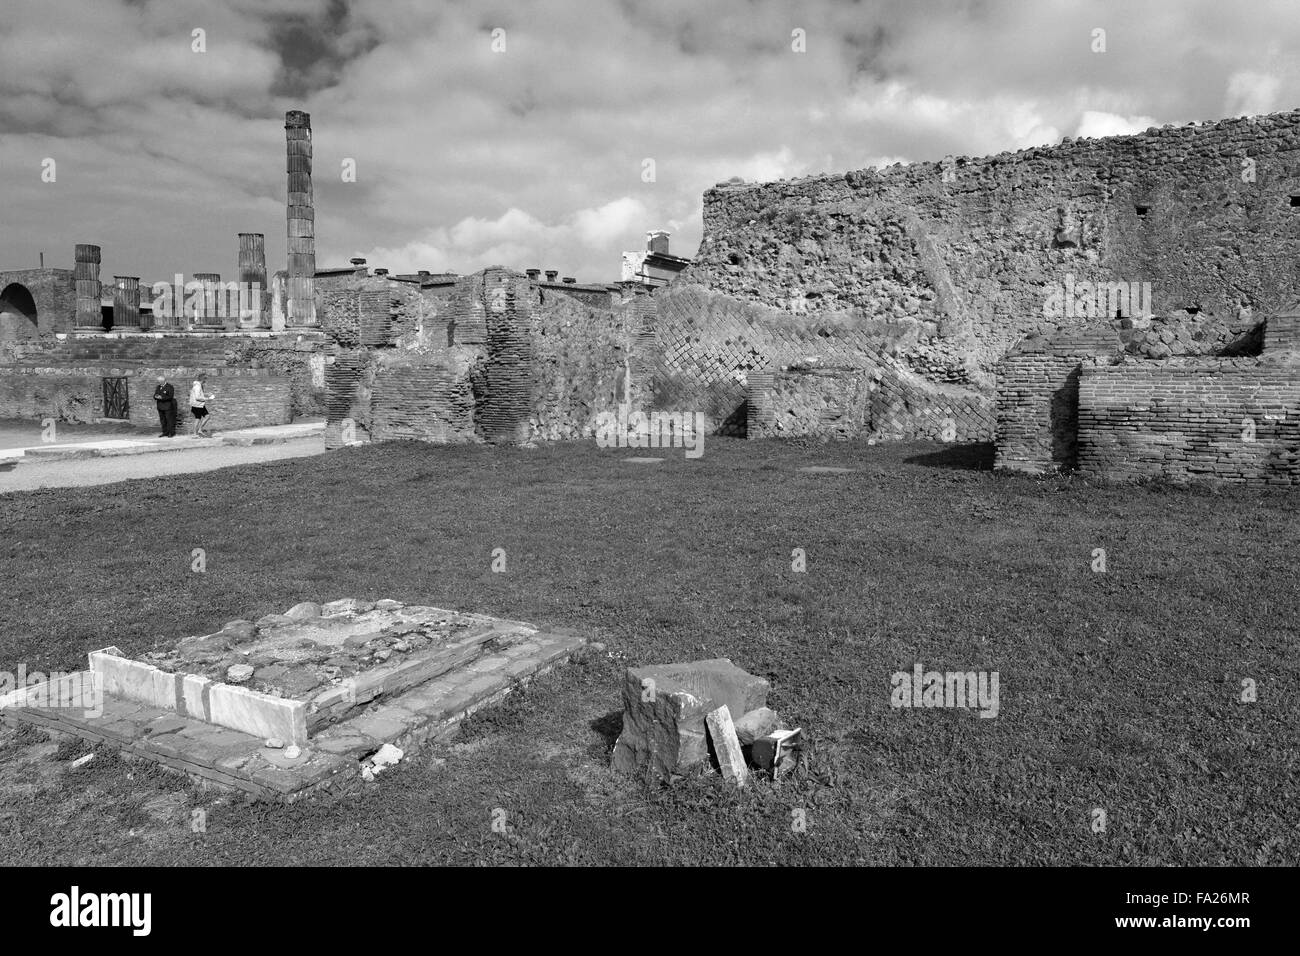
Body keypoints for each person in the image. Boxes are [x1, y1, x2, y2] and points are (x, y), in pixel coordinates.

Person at [189, 373, 216, 437]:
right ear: (203, 379)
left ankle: (199, 430)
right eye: (205, 379)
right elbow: (197, 397)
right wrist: (208, 399)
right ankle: (195, 434)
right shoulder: (197, 386)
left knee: (207, 416)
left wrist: (206, 394)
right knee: (197, 419)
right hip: (197, 405)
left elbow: (200, 394)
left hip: (200, 404)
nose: (206, 381)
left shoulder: (199, 385)